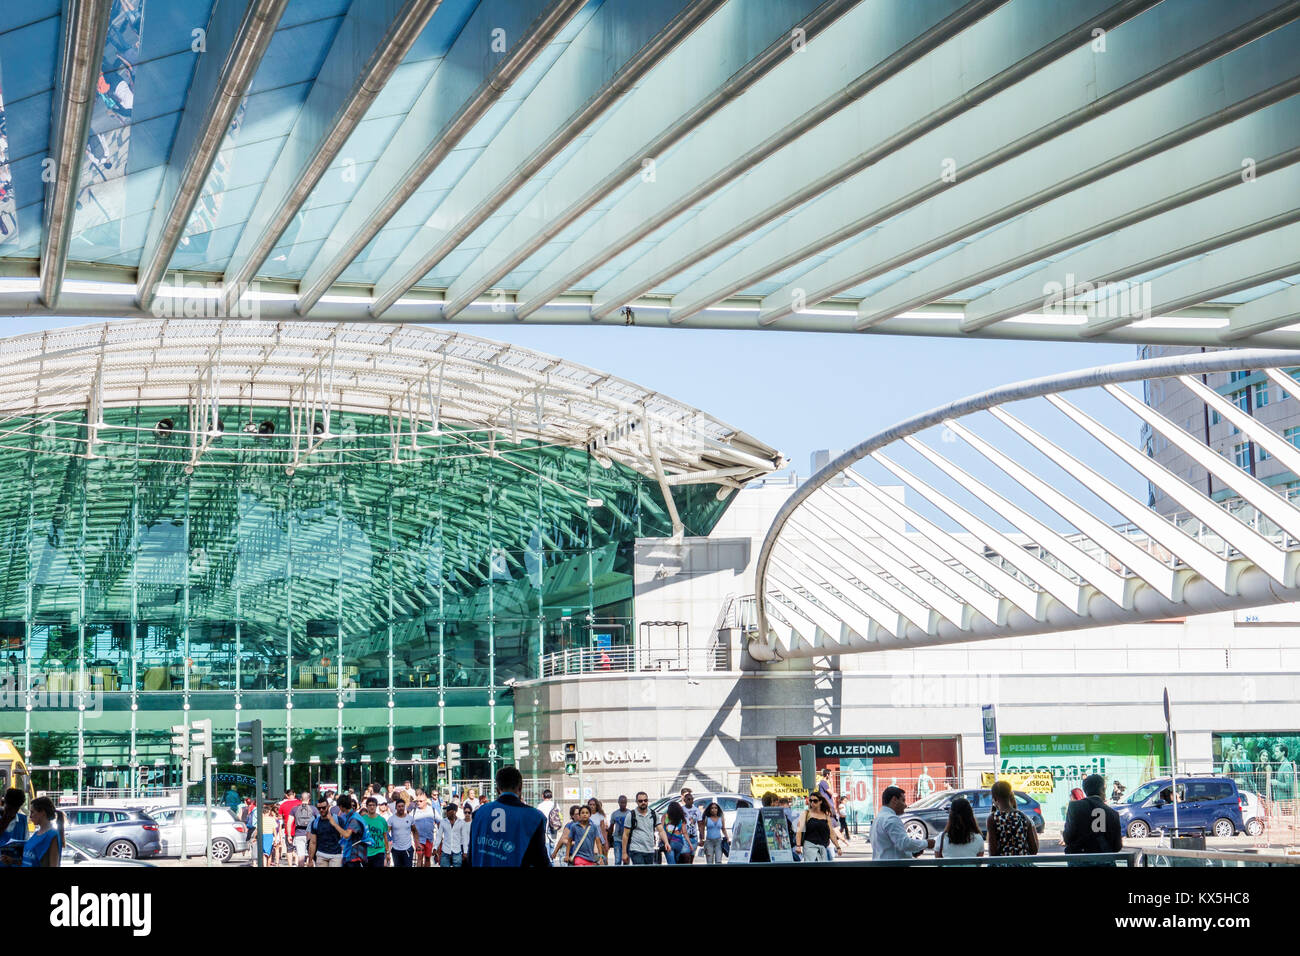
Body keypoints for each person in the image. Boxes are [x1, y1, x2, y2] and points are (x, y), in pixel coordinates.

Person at [467, 766, 550, 867]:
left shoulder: (479, 813)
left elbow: (471, 855)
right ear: (520, 787)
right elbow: (540, 860)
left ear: (498, 790)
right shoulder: (535, 817)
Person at [1063, 773, 1122, 865]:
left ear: (1085, 790)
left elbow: (1068, 838)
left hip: (1078, 861)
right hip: (1104, 862)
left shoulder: (1074, 807)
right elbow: (1117, 846)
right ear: (1102, 789)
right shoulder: (1112, 813)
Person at [870, 786, 931, 860]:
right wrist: (926, 843)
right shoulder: (891, 819)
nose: (905, 805)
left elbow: (891, 847)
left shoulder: (878, 818)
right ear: (894, 800)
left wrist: (911, 852)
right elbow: (904, 843)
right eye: (903, 800)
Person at [987, 780, 1038, 863]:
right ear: (1010, 795)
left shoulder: (993, 818)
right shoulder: (1024, 817)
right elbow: (1034, 850)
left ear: (995, 798)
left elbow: (993, 852)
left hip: (1002, 864)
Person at [2, 796, 59, 867]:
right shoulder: (36, 834)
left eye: (32, 812)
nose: (30, 816)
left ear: (43, 812)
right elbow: (30, 861)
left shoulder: (52, 836)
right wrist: (12, 861)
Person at [796, 793, 845, 862]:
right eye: (810, 801)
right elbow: (799, 831)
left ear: (820, 801)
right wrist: (798, 846)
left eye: (815, 801)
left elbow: (831, 832)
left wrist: (838, 847)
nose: (812, 803)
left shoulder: (825, 815)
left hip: (823, 847)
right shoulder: (806, 813)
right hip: (809, 846)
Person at [621, 791, 663, 865]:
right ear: (636, 802)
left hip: (650, 850)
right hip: (636, 850)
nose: (643, 802)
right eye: (640, 801)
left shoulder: (654, 814)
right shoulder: (631, 815)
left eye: (645, 800)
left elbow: (661, 831)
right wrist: (624, 853)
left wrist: (666, 842)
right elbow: (625, 835)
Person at [309, 796, 343, 867]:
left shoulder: (338, 820)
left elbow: (344, 839)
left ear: (328, 807)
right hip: (321, 855)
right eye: (319, 808)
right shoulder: (315, 822)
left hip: (336, 855)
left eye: (324, 808)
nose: (321, 810)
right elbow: (313, 842)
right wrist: (310, 860)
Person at [662, 800, 695, 865]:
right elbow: (685, 833)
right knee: (678, 863)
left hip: (668, 843)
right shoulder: (681, 818)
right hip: (679, 844)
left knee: (671, 863)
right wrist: (690, 844)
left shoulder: (665, 816)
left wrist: (661, 840)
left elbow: (661, 830)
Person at [411, 792, 439, 867]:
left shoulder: (432, 810)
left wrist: (441, 837)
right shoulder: (413, 812)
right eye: (417, 801)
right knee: (419, 858)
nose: (418, 803)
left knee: (427, 858)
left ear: (426, 801)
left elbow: (440, 822)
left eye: (421, 801)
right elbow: (408, 825)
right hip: (418, 840)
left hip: (429, 839)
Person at [362, 796, 389, 867]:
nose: (372, 807)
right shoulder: (362, 819)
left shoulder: (382, 820)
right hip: (366, 852)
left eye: (373, 805)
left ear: (376, 806)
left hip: (379, 851)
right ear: (367, 806)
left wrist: (387, 852)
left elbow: (385, 837)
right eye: (370, 805)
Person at [388, 796, 415, 867]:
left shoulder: (410, 818)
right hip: (396, 849)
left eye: (402, 806)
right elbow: (386, 833)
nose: (401, 808)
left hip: (408, 849)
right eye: (399, 806)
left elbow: (415, 831)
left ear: (405, 807)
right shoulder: (391, 819)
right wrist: (388, 847)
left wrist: (417, 843)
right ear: (396, 807)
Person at [607, 795, 631, 865]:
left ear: (626, 803)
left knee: (626, 860)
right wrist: (608, 840)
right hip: (617, 839)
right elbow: (611, 827)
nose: (623, 804)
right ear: (618, 803)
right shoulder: (615, 814)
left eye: (624, 802)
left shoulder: (630, 813)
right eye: (621, 802)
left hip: (627, 840)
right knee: (617, 860)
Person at [291, 792, 313, 866]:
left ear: (301, 799)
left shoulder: (295, 809)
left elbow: (289, 823)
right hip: (311, 835)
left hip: (299, 834)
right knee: (311, 856)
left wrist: (288, 835)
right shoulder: (313, 809)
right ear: (309, 799)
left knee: (300, 856)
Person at [537, 787, 559, 854]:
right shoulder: (555, 804)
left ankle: (549, 862)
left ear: (543, 796)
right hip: (553, 827)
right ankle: (552, 861)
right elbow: (558, 815)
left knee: (546, 846)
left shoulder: (540, 806)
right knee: (552, 845)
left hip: (544, 828)